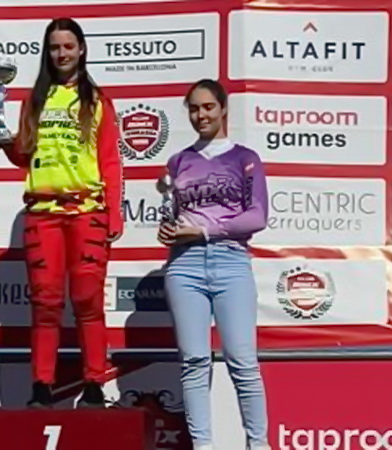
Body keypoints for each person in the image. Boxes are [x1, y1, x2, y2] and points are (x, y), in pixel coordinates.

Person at [0, 17, 124, 408]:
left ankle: (94, 384)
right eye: (55, 47)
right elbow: (25, 155)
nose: (62, 53)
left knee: (88, 300)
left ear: (81, 49)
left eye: (68, 46)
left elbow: (110, 161)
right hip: (43, 213)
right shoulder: (34, 99)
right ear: (47, 52)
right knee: (46, 303)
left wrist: (114, 213)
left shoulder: (97, 101)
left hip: (87, 210)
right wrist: (7, 143)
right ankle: (42, 385)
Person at [157, 79, 270, 450]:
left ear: (223, 109)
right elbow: (176, 215)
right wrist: (170, 230)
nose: (201, 115)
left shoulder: (245, 158)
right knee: (193, 362)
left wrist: (204, 231)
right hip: (184, 266)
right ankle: (202, 446)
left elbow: (256, 216)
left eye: (207, 107)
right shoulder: (178, 161)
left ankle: (258, 444)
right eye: (194, 108)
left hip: (231, 261)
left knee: (242, 361)